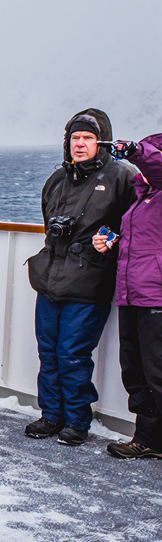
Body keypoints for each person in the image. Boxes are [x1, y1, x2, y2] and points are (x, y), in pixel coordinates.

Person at [26, 109, 137, 446]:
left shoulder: (122, 176)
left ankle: (76, 420)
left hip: (90, 280)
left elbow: (135, 227)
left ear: (101, 141)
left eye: (88, 138)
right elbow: (48, 220)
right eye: (75, 138)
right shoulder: (58, 178)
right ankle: (51, 415)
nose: (80, 144)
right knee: (48, 351)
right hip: (50, 278)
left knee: (72, 353)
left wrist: (111, 243)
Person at [100, 136, 162, 459]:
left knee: (158, 371)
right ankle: (148, 437)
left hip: (156, 297)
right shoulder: (141, 199)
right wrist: (111, 247)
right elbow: (135, 247)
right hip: (130, 293)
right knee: (134, 370)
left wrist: (136, 151)